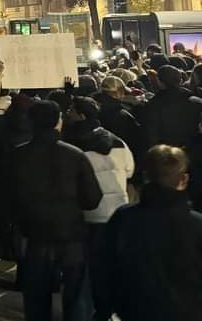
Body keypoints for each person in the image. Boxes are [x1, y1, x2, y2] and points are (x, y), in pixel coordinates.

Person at [9, 99, 102, 321]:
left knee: (37, 296)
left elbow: (6, 196)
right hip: (71, 233)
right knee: (76, 294)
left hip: (35, 233)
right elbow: (92, 199)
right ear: (57, 123)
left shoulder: (17, 156)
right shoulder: (75, 155)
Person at [103, 145, 202, 321]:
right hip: (188, 313)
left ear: (146, 176)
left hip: (135, 311)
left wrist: (109, 305)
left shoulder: (123, 218)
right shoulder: (196, 224)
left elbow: (105, 267)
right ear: (184, 180)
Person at [62, 96, 134, 321]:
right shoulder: (120, 144)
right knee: (111, 266)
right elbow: (130, 170)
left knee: (86, 269)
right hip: (118, 211)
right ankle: (107, 311)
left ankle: (82, 313)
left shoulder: (76, 148)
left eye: (71, 111)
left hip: (89, 213)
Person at [137, 65, 202, 149]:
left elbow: (151, 135)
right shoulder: (195, 101)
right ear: (180, 80)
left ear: (160, 82)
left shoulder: (152, 105)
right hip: (194, 152)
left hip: (168, 155)